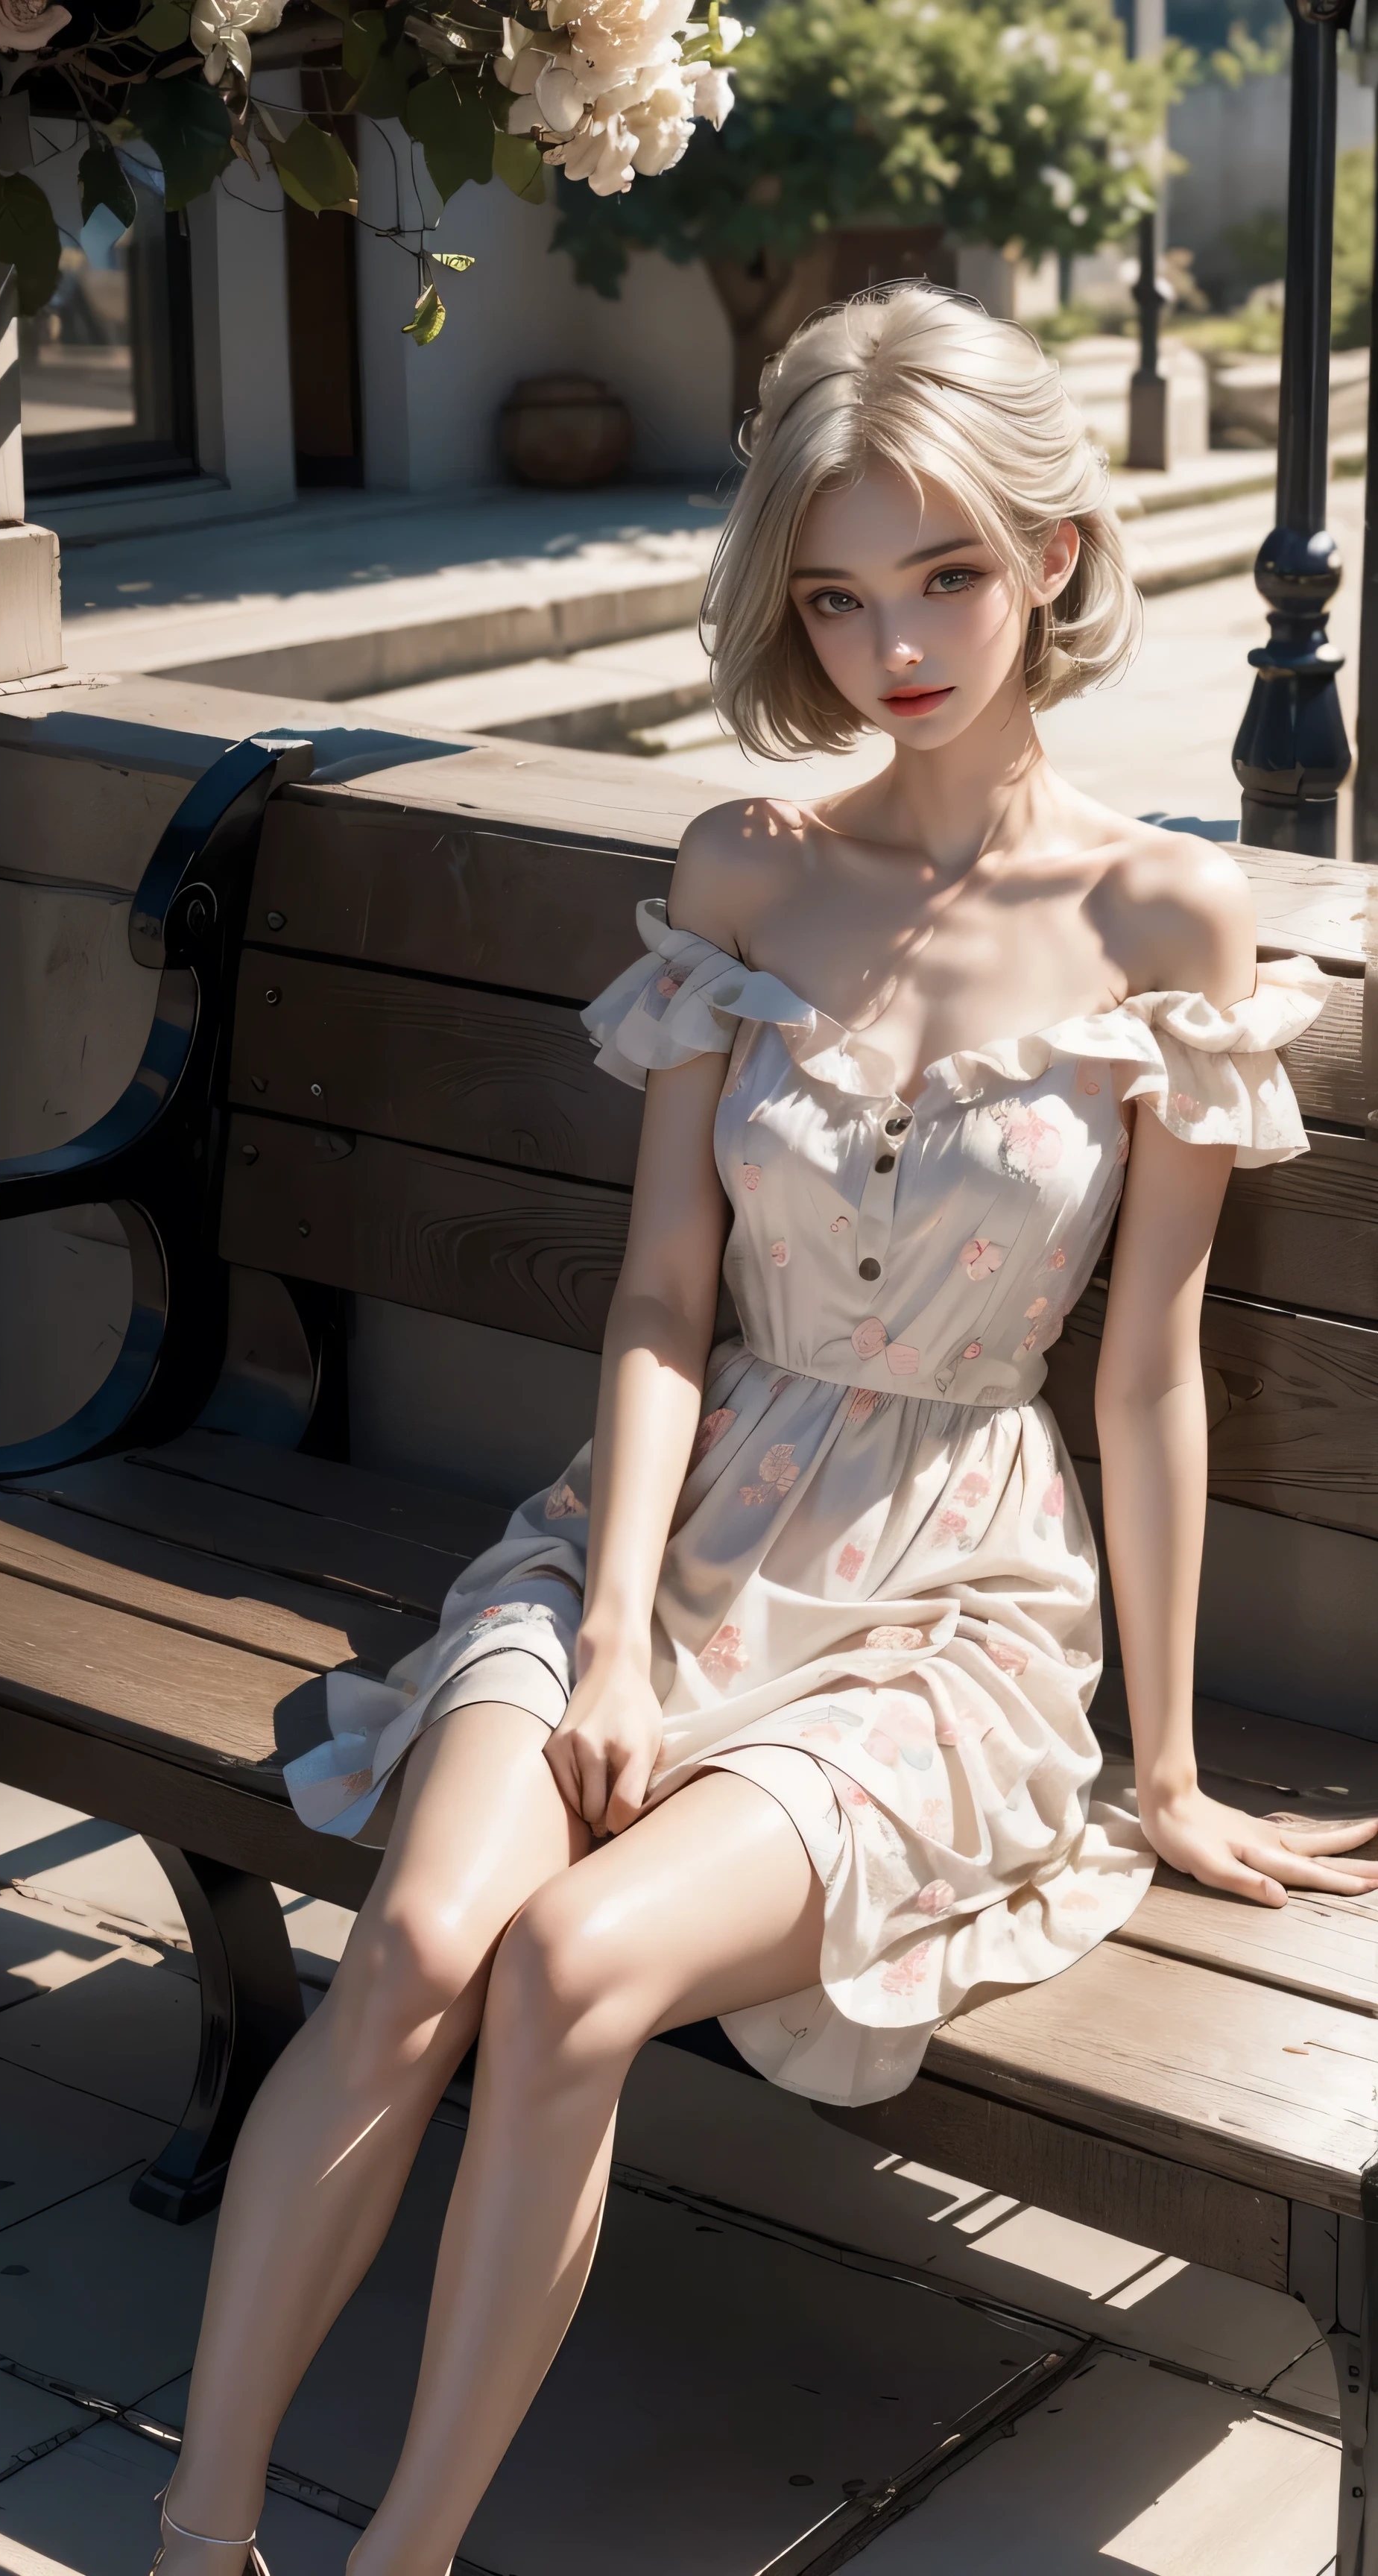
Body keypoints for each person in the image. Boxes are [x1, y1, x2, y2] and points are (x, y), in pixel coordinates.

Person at [151, 282, 1378, 2576]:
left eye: (944, 578)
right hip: (675, 1526)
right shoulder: (743, 870)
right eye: (835, 593)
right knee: (422, 1943)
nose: (892, 644)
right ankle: (195, 2535)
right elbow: (655, 1297)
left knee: (571, 1966)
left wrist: (1178, 1770)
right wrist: (608, 1630)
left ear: (1060, 560)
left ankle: (403, 2556)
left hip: (955, 1605)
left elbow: (1143, 1376)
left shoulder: (1163, 908)